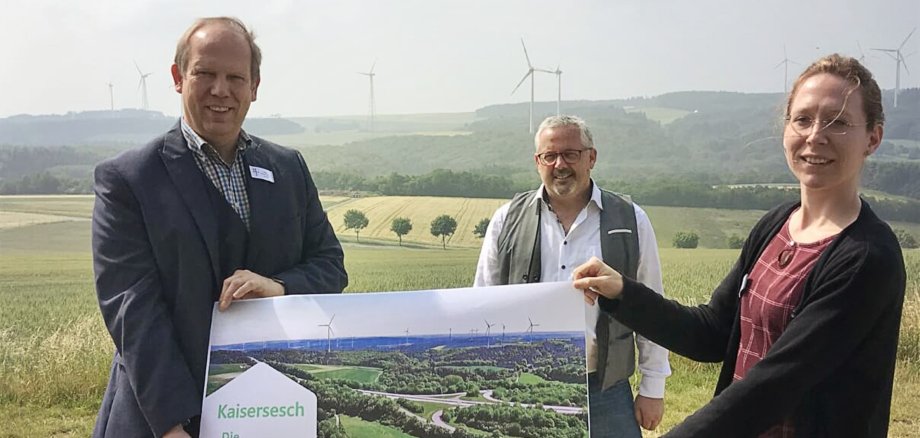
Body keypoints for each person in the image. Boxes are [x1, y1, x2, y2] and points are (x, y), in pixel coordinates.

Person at [572, 54, 906, 437]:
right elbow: (712, 332)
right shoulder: (776, 224)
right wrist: (621, 293)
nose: (816, 135)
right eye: (803, 119)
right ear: (786, 129)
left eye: (839, 121)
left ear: (873, 138)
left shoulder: (867, 256)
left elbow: (774, 385)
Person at [91, 17, 347, 438]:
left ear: (255, 86)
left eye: (235, 77)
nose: (221, 90)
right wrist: (172, 425)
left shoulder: (288, 169)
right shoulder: (129, 180)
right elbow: (133, 310)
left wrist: (278, 286)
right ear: (178, 77)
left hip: (273, 411)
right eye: (205, 74)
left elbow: (330, 265)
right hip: (159, 418)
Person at [475, 115, 671, 437]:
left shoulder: (631, 219)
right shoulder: (505, 220)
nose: (559, 164)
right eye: (549, 156)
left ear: (591, 157)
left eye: (570, 154)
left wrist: (653, 386)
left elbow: (652, 307)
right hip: (525, 385)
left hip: (605, 388)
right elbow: (483, 301)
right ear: (537, 162)